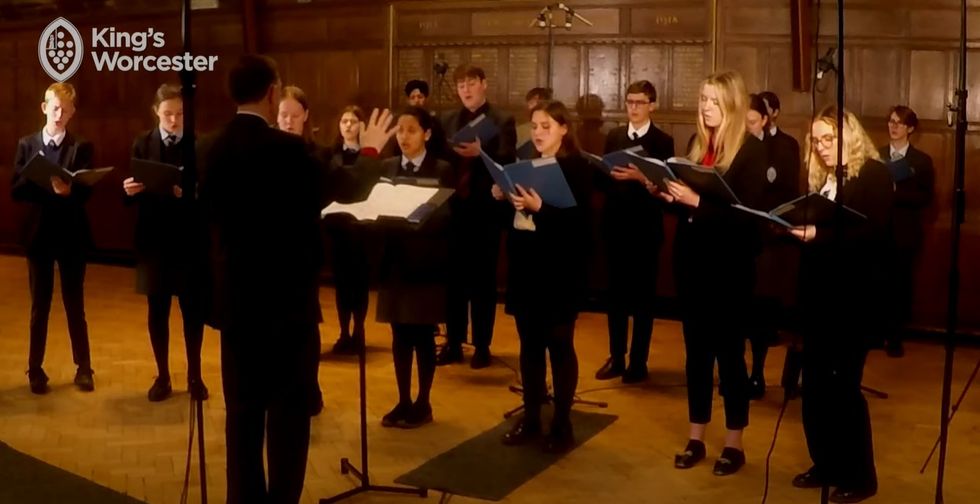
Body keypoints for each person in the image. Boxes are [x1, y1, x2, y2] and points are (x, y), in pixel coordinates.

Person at [200, 55, 397, 503]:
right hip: (288, 305)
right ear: (272, 92)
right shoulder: (290, 152)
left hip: (236, 303)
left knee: (243, 414)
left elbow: (205, 222)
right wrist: (368, 151)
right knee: (288, 414)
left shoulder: (210, 147)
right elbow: (347, 189)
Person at [662, 71, 768, 476]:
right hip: (692, 264)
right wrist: (666, 193)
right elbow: (688, 206)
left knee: (729, 357)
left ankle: (734, 442)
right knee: (696, 356)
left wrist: (695, 202)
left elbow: (747, 220)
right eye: (703, 99)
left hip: (730, 268)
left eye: (713, 101)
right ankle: (696, 436)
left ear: (733, 105)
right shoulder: (697, 145)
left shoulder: (751, 152)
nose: (705, 107)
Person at [789, 106, 891, 503]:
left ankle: (861, 476)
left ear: (849, 136)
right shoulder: (823, 178)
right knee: (813, 386)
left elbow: (872, 233)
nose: (821, 147)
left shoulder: (874, 174)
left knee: (844, 389)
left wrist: (818, 233)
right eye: (816, 141)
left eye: (828, 139)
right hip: (818, 297)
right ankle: (826, 462)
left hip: (854, 300)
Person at [494, 100, 593, 453]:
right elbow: (521, 223)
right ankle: (532, 417)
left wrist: (541, 209)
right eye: (534, 126)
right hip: (527, 268)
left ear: (564, 129)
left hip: (561, 272)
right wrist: (506, 198)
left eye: (546, 126)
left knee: (560, 346)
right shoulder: (525, 165)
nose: (537, 132)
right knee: (530, 347)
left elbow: (581, 227)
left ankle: (562, 422)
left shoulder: (577, 168)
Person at [124, 83, 208, 402]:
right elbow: (132, 193)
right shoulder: (142, 142)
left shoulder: (199, 144)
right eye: (168, 114)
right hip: (154, 242)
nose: (174, 121)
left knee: (192, 312)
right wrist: (128, 190)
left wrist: (191, 195)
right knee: (157, 311)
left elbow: (210, 195)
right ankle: (162, 376)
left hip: (189, 241)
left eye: (180, 114)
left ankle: (195, 376)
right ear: (156, 113)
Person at [11, 82, 95, 394]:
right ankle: (35, 369)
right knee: (39, 306)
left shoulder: (81, 147)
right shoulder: (27, 144)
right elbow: (15, 189)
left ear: (73, 112)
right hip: (39, 235)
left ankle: (84, 368)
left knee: (75, 305)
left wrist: (70, 191)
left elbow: (87, 188)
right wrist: (44, 183)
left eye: (65, 109)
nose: (59, 114)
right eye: (54, 107)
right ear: (44, 108)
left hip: (71, 233)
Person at [376, 107, 454, 429]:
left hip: (426, 264)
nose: (403, 136)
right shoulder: (387, 167)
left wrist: (412, 219)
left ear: (427, 134)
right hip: (395, 263)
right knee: (399, 335)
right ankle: (403, 399)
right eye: (400, 130)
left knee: (422, 335)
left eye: (411, 130)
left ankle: (423, 401)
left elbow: (445, 215)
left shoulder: (443, 169)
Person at [594, 80, 674, 384]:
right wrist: (606, 172)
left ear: (652, 104)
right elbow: (603, 182)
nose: (634, 108)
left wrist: (642, 177)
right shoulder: (614, 136)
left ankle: (639, 362)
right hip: (615, 227)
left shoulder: (663, 141)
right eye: (629, 102)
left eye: (640, 102)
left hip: (645, 230)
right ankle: (617, 357)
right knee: (615, 299)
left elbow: (666, 187)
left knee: (643, 301)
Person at [439, 64, 517, 369]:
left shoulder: (502, 120)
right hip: (453, 211)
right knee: (453, 282)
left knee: (482, 283)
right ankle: (454, 342)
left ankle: (482, 345)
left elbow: (509, 159)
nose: (466, 90)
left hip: (484, 211)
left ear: (484, 84)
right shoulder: (447, 119)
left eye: (471, 83)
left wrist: (481, 152)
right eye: (461, 86)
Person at [277, 84, 330, 415]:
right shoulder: (266, 150)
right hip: (272, 254)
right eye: (283, 115)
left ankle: (310, 388)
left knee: (306, 325)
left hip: (304, 251)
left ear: (306, 116)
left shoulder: (317, 154)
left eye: (295, 116)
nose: (288, 121)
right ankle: (282, 387)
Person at [757, 90, 805, 400]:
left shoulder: (787, 144)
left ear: (772, 113)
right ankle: (755, 373)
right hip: (749, 230)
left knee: (769, 296)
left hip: (775, 232)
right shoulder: (748, 143)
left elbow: (789, 188)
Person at [878, 105, 934, 358]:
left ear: (910, 128)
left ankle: (896, 336)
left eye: (899, 123)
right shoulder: (876, 156)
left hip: (904, 231)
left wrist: (895, 194)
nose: (893, 126)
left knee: (900, 284)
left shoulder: (921, 161)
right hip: (878, 230)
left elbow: (925, 197)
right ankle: (876, 333)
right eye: (891, 121)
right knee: (877, 282)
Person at [326, 105, 372, 355]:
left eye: (353, 121)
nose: (347, 126)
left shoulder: (370, 156)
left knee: (360, 283)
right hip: (338, 227)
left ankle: (359, 330)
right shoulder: (331, 154)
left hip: (362, 229)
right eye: (344, 121)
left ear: (362, 126)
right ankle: (344, 331)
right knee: (342, 283)